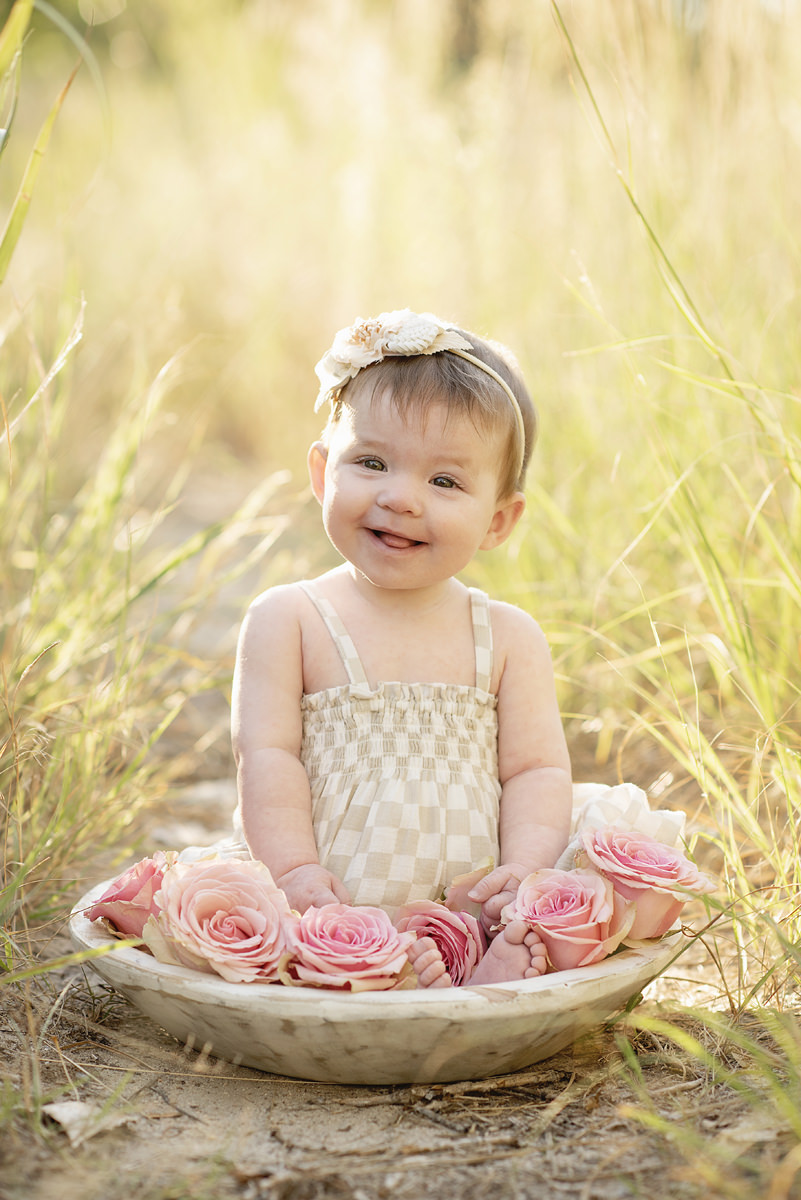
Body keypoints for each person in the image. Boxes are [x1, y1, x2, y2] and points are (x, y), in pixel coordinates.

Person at [231, 309, 573, 987]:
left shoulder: (506, 637)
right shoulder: (290, 618)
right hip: (328, 899)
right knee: (282, 948)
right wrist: (294, 872)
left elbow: (535, 769)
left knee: (523, 926)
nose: (400, 497)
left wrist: (522, 869)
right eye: (371, 461)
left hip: (460, 899)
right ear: (323, 473)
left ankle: (479, 966)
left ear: (497, 520)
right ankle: (340, 962)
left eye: (444, 482)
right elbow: (266, 757)